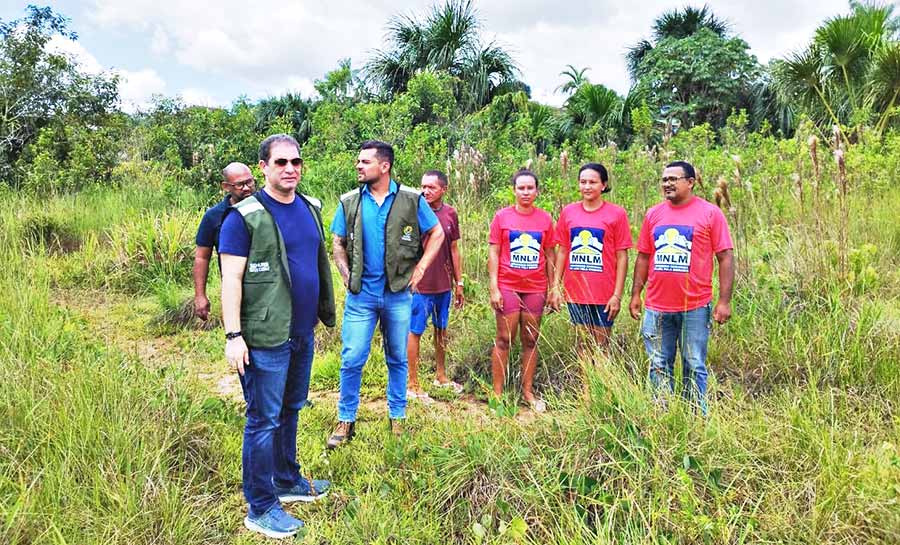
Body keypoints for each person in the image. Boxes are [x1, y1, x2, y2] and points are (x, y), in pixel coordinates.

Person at [220, 134, 336, 539]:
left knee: (291, 408)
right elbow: (231, 280)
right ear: (263, 167)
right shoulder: (244, 217)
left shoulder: (309, 207)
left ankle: (287, 480)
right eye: (281, 162)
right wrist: (234, 335)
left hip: (301, 332)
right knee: (262, 420)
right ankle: (261, 505)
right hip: (264, 337)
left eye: (296, 162)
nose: (290, 168)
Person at [328, 140, 445, 448]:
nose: (358, 166)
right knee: (352, 357)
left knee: (397, 357)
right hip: (361, 296)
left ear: (384, 166)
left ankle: (397, 419)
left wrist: (419, 270)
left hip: (398, 295)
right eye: (358, 161)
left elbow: (436, 233)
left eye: (364, 162)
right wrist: (344, 274)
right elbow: (337, 242)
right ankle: (346, 420)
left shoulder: (410, 200)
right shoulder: (350, 201)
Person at [629, 160, 734, 415]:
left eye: (673, 179)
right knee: (658, 363)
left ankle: (695, 413)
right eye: (664, 179)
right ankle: (662, 413)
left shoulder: (710, 214)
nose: (667, 184)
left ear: (691, 182)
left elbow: (725, 257)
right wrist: (635, 295)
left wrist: (724, 301)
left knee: (694, 362)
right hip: (657, 306)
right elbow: (643, 256)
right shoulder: (654, 214)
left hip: (695, 306)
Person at [488, 168, 556, 413]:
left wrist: (554, 288)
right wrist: (494, 286)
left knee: (530, 339)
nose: (526, 192)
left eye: (530, 188)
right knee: (505, 338)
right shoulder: (502, 217)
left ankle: (527, 391)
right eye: (521, 188)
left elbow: (550, 254)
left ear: (537, 191)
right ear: (514, 190)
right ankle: (497, 393)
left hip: (535, 287)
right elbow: (494, 252)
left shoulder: (545, 219)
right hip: (508, 285)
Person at [551, 163, 632, 353]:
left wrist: (617, 295)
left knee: (601, 346)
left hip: (604, 292)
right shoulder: (569, 212)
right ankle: (585, 383)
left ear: (603, 185)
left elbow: (622, 257)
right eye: (583, 182)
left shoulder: (616, 214)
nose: (587, 186)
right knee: (582, 346)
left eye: (593, 182)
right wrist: (555, 286)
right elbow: (562, 251)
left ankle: (602, 382)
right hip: (576, 291)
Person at [406, 170, 465, 402]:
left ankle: (441, 375)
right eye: (423, 186)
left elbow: (454, 249)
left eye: (431, 187)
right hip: (420, 286)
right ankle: (412, 382)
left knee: (441, 330)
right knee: (415, 330)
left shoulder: (450, 214)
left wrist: (459, 282)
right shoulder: (413, 212)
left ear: (444, 189)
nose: (426, 191)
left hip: (444, 284)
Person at [192, 162, 255, 320]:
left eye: (250, 182)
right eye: (240, 185)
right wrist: (200, 295)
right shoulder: (213, 216)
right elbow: (202, 257)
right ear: (226, 186)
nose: (247, 188)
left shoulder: (266, 208)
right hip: (235, 289)